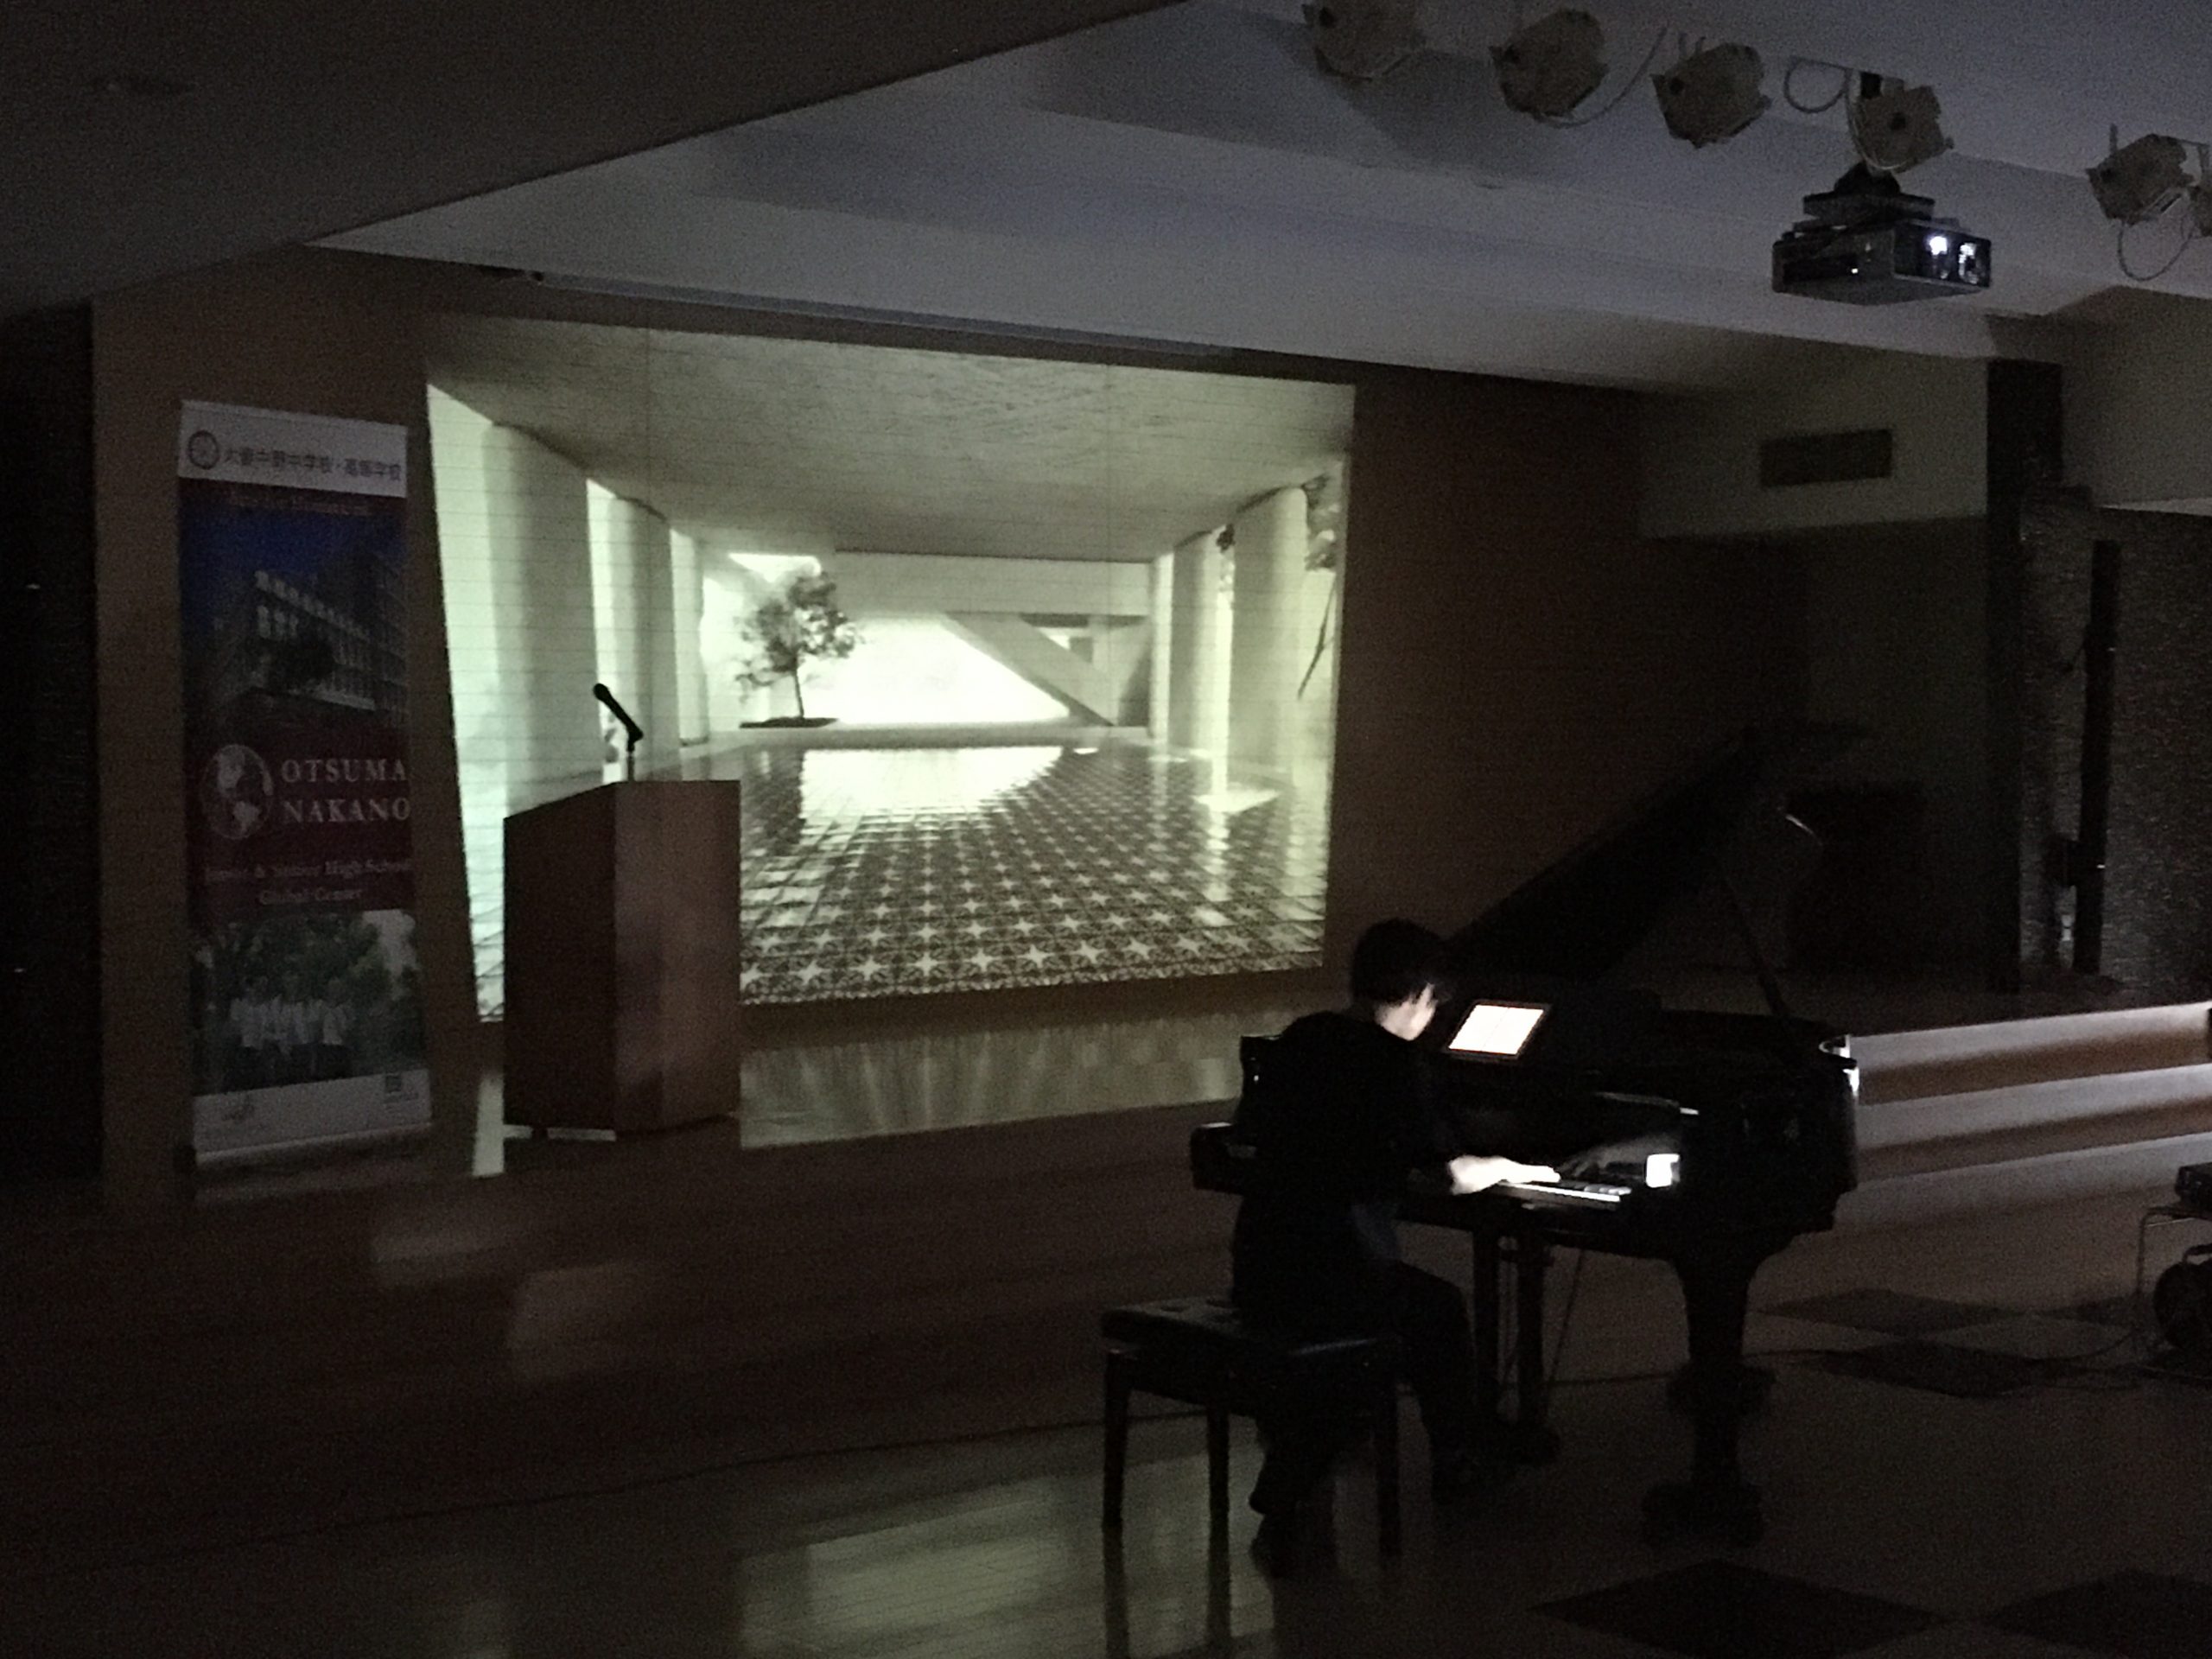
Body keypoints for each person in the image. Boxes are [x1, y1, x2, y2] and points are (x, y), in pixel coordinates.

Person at [1229, 918, 1557, 1573]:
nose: (1432, 1022)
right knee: (1435, 1310)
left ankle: (1323, 1466)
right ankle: (1456, 1461)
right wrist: (1507, 1166)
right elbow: (1445, 1174)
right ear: (1420, 995)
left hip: (1262, 1262)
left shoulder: (1302, 1038)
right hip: (1332, 1275)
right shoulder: (1394, 1063)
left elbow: (1254, 1136)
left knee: (1410, 1305)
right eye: (1435, 1006)